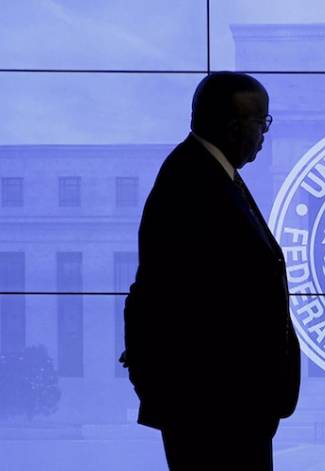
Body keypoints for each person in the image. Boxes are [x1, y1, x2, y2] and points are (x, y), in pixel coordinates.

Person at [118, 72, 301, 470]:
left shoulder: (210, 173)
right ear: (234, 126)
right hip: (215, 407)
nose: (264, 134)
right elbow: (173, 300)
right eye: (261, 122)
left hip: (229, 403)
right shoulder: (192, 182)